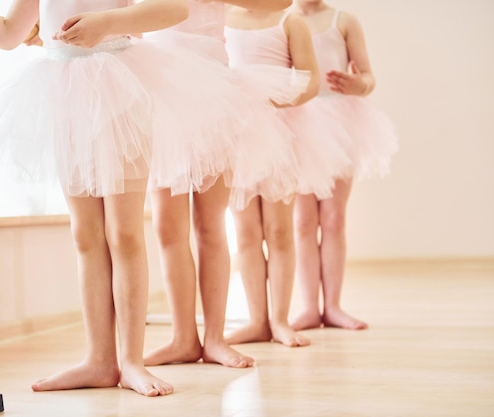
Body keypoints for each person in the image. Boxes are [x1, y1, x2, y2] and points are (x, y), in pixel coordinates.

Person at [0, 0, 270, 396]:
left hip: (120, 86)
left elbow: (173, 9)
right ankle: (100, 359)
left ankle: (131, 360)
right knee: (85, 234)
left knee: (125, 232)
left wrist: (111, 21)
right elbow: (9, 33)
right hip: (65, 92)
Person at [142, 0, 299, 368]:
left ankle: (214, 338)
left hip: (213, 93)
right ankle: (183, 337)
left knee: (210, 224)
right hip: (160, 93)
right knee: (167, 228)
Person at [223, 5, 350, 347]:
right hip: (239, 135)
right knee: (246, 232)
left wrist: (277, 100)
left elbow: (310, 80)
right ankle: (257, 320)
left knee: (279, 229)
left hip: (281, 132)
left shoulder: (289, 21)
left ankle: (280, 319)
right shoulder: (224, 19)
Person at [289, 0, 398, 331]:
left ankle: (333, 306)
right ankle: (308, 306)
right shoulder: (283, 19)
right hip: (299, 123)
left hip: (340, 121)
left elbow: (368, 76)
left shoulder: (344, 20)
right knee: (304, 221)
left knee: (334, 218)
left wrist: (358, 85)